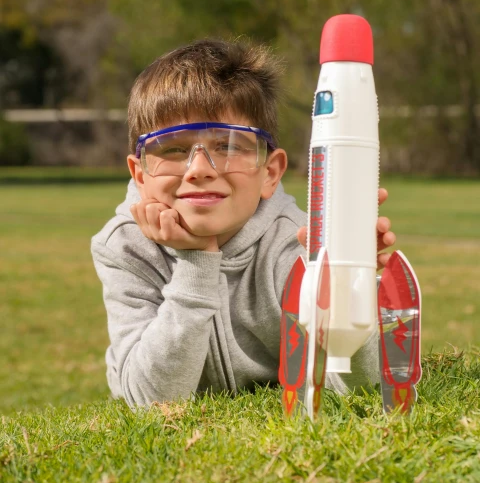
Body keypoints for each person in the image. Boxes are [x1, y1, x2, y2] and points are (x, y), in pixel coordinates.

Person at [91, 38, 395, 408]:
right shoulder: (124, 247)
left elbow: (357, 387)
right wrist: (197, 262)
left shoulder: (297, 245)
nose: (200, 169)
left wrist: (348, 285)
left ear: (270, 173)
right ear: (140, 175)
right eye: (173, 148)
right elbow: (151, 402)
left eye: (230, 146)